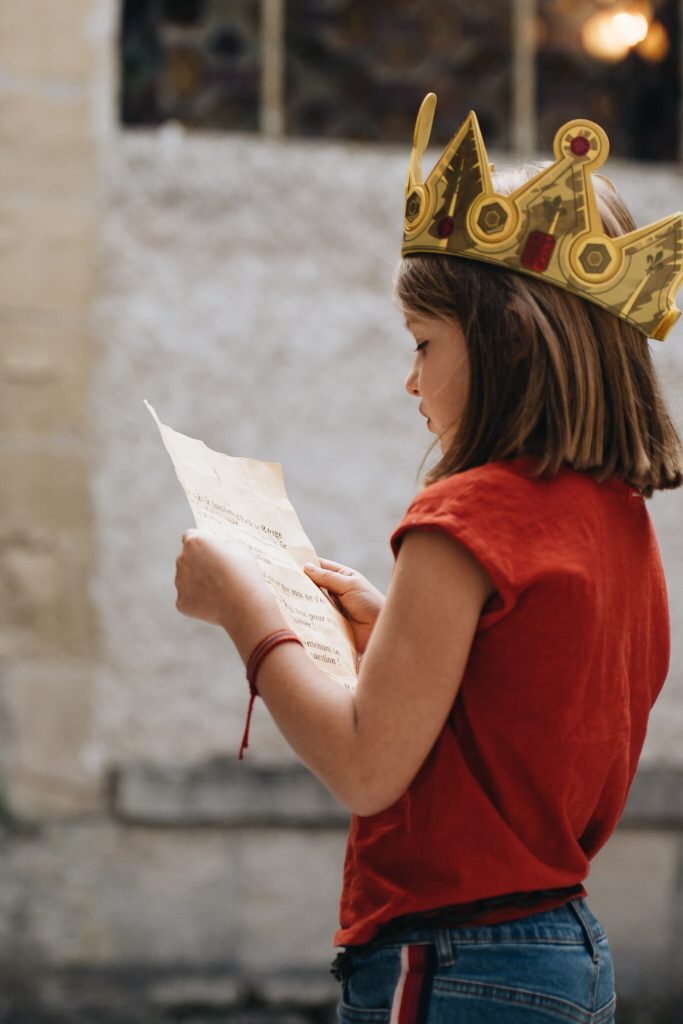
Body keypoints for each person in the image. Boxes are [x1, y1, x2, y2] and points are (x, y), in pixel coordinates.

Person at [174, 97, 682, 1023]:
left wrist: (247, 611)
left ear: (506, 341)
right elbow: (514, 721)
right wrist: (389, 626)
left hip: (455, 963)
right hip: (565, 952)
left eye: (422, 345)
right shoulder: (616, 516)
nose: (409, 379)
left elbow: (366, 768)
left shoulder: (465, 514)